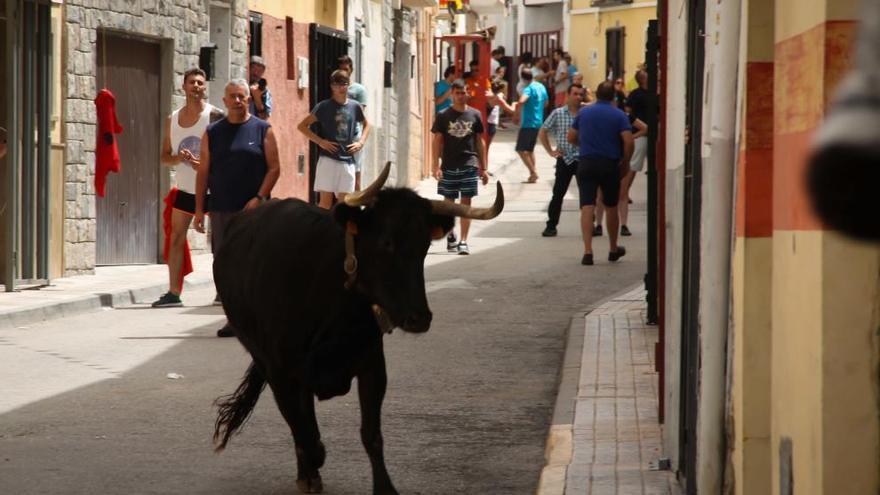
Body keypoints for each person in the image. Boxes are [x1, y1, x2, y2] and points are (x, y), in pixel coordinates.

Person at [194, 79, 281, 336]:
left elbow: (275, 168)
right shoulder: (212, 132)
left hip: (255, 212)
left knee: (255, 263)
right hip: (221, 209)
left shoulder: (262, 129)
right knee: (224, 264)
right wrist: (199, 210)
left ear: (248, 99)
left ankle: (259, 316)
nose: (237, 101)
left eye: (242, 96)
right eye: (232, 96)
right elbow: (203, 172)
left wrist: (259, 197)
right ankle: (233, 319)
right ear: (224, 101)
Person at [151, 68, 225, 308]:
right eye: (192, 82)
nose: (196, 86)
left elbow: (226, 154)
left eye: (200, 83)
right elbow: (164, 157)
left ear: (205, 87)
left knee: (220, 241)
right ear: (183, 87)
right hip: (184, 189)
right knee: (175, 238)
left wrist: (204, 164)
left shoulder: (215, 116)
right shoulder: (172, 119)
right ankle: (173, 292)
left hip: (212, 189)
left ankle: (222, 291)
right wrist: (179, 159)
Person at [567, 80, 634, 265]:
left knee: (587, 206)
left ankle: (588, 252)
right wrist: (625, 161)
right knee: (611, 205)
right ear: (613, 96)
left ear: (596, 94)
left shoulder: (584, 112)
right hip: (609, 164)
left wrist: (586, 146)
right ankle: (613, 249)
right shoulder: (619, 115)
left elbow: (571, 137)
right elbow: (628, 141)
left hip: (587, 163)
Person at [297, 70, 370, 209]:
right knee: (325, 204)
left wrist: (361, 142)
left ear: (349, 85)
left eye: (344, 84)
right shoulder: (324, 106)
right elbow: (302, 126)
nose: (341, 88)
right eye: (337, 84)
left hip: (348, 161)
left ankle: (339, 231)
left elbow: (367, 125)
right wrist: (320, 141)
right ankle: (322, 230)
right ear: (332, 86)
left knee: (344, 205)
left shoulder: (355, 107)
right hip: (328, 159)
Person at [431, 80, 489, 255]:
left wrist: (483, 167)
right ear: (452, 94)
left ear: (467, 93)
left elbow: (480, 141)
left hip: (469, 164)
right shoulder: (443, 115)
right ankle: (451, 233)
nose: (460, 96)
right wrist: (436, 166)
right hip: (448, 165)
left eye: (463, 92)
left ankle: (463, 241)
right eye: (457, 93)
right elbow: (437, 141)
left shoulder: (475, 114)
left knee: (466, 204)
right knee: (448, 205)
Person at [540, 84, 585, 237]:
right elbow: (543, 130)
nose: (578, 97)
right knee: (558, 194)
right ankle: (551, 225)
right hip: (564, 159)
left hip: (582, 159)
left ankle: (588, 225)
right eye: (575, 94)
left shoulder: (585, 113)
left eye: (581, 94)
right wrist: (550, 151)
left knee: (586, 194)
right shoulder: (558, 113)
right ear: (568, 95)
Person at [619, 70, 650, 236]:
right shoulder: (637, 94)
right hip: (640, 134)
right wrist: (633, 133)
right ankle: (624, 191)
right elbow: (628, 111)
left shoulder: (653, 92)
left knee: (635, 166)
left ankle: (624, 192)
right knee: (632, 166)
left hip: (645, 133)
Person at [338, 55, 368, 191]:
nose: (344, 72)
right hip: (337, 136)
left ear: (351, 70)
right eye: (341, 69)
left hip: (353, 136)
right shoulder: (335, 89)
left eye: (346, 69)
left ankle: (355, 209)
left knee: (355, 176)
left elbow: (360, 114)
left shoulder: (359, 90)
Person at [514, 67, 548, 183]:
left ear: (522, 79)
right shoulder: (540, 86)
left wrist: (517, 113)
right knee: (529, 150)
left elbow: (522, 101)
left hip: (528, 123)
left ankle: (533, 172)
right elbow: (546, 102)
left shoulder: (528, 89)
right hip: (538, 121)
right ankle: (532, 174)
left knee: (520, 149)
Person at [486, 78, 516, 155]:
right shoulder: (499, 97)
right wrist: (514, 104)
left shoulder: (487, 94)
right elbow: (511, 110)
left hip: (483, 121)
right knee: (486, 148)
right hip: (491, 123)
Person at [248, 56, 272, 120]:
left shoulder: (265, 92)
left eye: (259, 71)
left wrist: (257, 98)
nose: (256, 73)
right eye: (253, 69)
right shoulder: (241, 87)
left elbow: (264, 118)